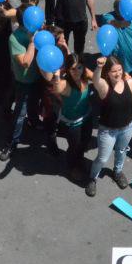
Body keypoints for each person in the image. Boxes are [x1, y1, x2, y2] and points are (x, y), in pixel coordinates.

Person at [86, 56, 132, 197]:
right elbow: (96, 80)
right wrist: (99, 67)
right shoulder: (104, 87)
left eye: (120, 70)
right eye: (113, 71)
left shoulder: (130, 82)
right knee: (102, 158)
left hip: (128, 127)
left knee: (121, 151)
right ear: (107, 73)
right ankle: (93, 178)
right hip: (108, 130)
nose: (118, 74)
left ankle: (117, 172)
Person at [42, 53, 94, 181]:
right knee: (74, 147)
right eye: (73, 69)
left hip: (86, 118)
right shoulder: (65, 84)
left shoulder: (85, 74)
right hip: (73, 124)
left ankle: (79, 159)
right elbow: (57, 88)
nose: (77, 72)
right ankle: (72, 167)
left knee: (84, 142)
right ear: (68, 70)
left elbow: (97, 78)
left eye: (79, 67)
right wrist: (57, 76)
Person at [0, 5, 40, 162]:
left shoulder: (38, 32)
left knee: (35, 103)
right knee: (19, 115)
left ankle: (34, 121)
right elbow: (25, 62)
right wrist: (32, 43)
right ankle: (11, 143)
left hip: (38, 78)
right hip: (24, 81)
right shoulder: (15, 38)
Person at [100, 0, 132, 81]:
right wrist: (122, 23)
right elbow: (112, 23)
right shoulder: (108, 16)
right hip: (117, 65)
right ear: (116, 9)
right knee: (117, 85)